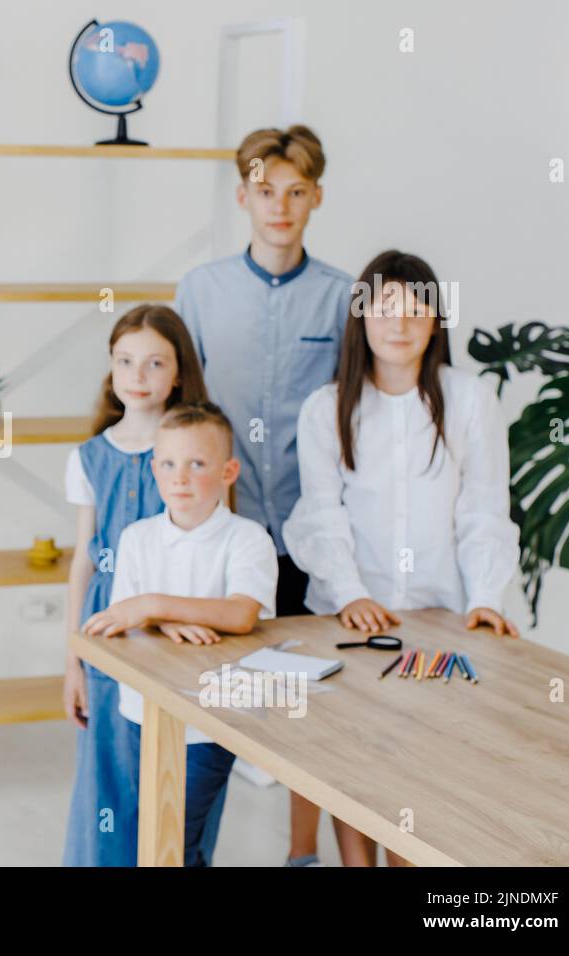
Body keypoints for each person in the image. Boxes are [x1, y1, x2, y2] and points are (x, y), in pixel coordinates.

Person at [283, 249, 520, 865]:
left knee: (425, 767)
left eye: (418, 310)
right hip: (351, 616)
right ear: (360, 318)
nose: (401, 323)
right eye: (385, 308)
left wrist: (488, 599)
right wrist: (349, 593)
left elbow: (484, 509)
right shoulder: (325, 409)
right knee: (351, 759)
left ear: (437, 322)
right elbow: (321, 514)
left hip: (441, 618)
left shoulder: (469, 401)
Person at [173, 125, 352, 866]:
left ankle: (302, 855)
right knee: (216, 700)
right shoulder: (201, 289)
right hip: (228, 529)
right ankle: (191, 851)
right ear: (243, 196)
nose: (280, 207)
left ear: (316, 198)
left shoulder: (345, 296)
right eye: (265, 191)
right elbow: (186, 410)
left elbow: (355, 413)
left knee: (321, 705)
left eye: (296, 192)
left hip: (314, 531)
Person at [81, 401, 278, 866]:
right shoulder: (137, 538)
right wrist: (163, 619)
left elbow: (240, 614)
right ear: (154, 468)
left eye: (197, 464)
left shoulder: (247, 539)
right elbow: (121, 619)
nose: (181, 477)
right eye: (168, 464)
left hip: (211, 722)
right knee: (146, 832)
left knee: (177, 838)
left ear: (228, 471)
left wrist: (153, 605)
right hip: (139, 712)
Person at [62, 304, 209, 866]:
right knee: (109, 779)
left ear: (178, 373)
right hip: (106, 632)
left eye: (154, 363)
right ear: (111, 369)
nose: (138, 375)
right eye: (125, 361)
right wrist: (74, 658)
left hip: (182, 631)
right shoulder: (89, 456)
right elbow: (83, 558)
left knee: (180, 779)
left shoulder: (196, 446)